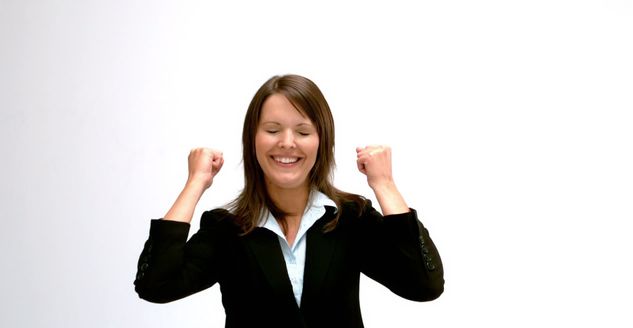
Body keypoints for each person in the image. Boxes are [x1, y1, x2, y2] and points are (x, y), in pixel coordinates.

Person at [134, 74, 444, 327]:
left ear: (322, 142)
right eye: (272, 130)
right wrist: (195, 183)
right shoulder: (226, 228)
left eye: (303, 131)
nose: (287, 143)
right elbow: (155, 285)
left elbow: (424, 285)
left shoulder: (351, 218)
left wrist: (385, 185)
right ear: (252, 139)